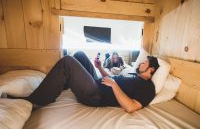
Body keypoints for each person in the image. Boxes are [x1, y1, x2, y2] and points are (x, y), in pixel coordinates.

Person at [8, 51, 159, 113]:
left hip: (96, 95)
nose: (140, 64)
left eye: (144, 63)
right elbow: (111, 79)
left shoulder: (148, 88)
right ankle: (60, 84)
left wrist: (114, 85)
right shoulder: (134, 75)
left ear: (151, 69)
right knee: (80, 55)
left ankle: (36, 100)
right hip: (98, 82)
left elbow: (131, 107)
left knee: (68, 62)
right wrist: (99, 67)